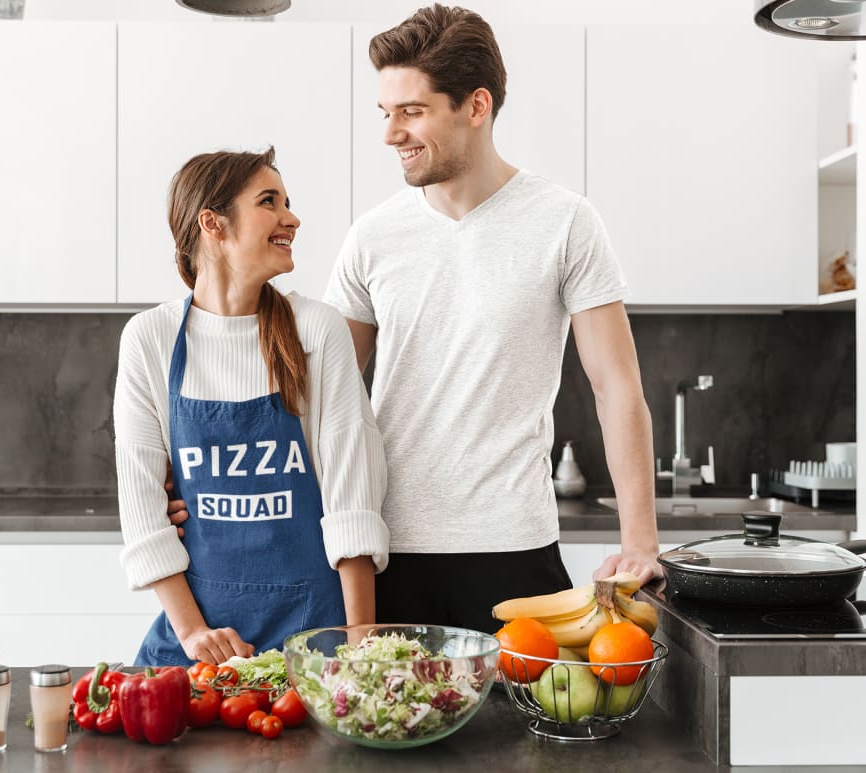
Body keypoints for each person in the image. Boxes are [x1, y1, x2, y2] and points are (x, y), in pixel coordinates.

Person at [320, 4, 661, 635]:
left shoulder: (565, 222)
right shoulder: (372, 237)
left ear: (476, 106)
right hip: (386, 554)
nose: (391, 133)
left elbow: (617, 389)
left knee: (530, 732)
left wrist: (640, 541)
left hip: (515, 550)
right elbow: (321, 395)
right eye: (385, 113)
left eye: (412, 111)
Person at [114, 147, 389, 666]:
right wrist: (194, 633)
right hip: (198, 646)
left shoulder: (316, 330)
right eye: (269, 201)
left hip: (314, 640)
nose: (292, 218)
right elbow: (143, 512)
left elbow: (352, 502)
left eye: (288, 201)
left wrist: (361, 650)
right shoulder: (149, 339)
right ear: (212, 223)